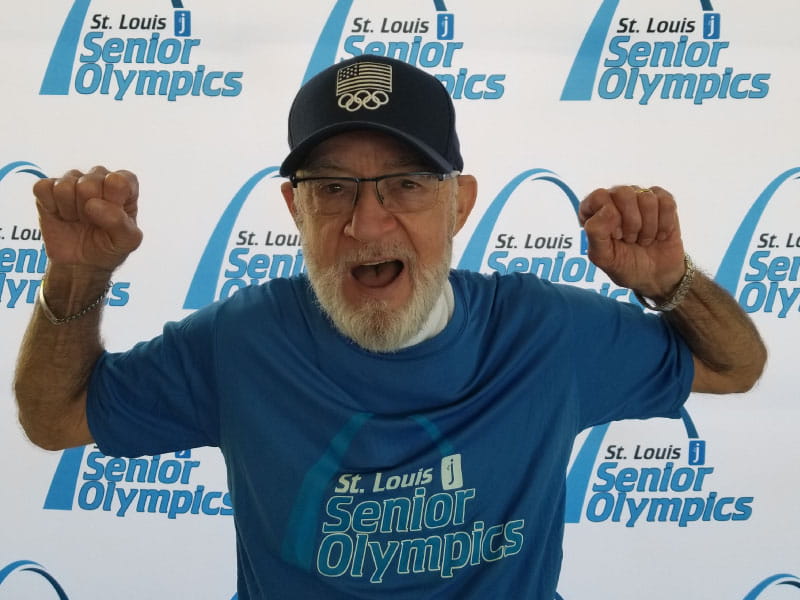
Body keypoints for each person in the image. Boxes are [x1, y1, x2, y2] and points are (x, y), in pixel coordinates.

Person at [15, 55, 766, 599]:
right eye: (333, 188)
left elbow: (737, 366)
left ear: (460, 203)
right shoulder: (241, 342)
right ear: (296, 209)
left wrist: (669, 282)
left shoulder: (545, 333)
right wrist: (79, 274)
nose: (366, 224)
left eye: (405, 184)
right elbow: (54, 420)